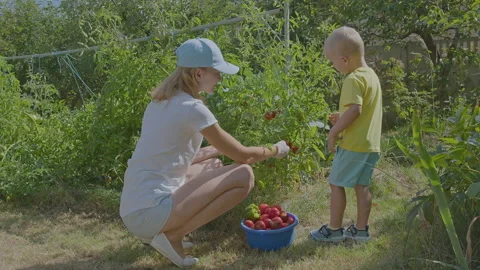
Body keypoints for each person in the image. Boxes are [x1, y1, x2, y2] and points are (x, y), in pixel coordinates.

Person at [119, 38, 290, 267]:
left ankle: (158, 232)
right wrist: (275, 149)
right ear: (198, 74)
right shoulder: (193, 108)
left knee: (214, 165)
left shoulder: (160, 102)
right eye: (217, 72)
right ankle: (173, 235)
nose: (220, 77)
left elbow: (174, 157)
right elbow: (244, 157)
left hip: (134, 208)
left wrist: (215, 152)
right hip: (150, 212)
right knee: (244, 174)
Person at [310, 26, 382, 243]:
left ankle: (333, 230)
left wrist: (333, 132)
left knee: (336, 183)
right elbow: (361, 111)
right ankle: (361, 230)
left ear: (343, 59)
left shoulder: (352, 79)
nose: (334, 66)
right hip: (370, 145)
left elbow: (355, 110)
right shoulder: (371, 76)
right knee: (362, 185)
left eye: (333, 62)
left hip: (352, 145)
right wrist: (341, 118)